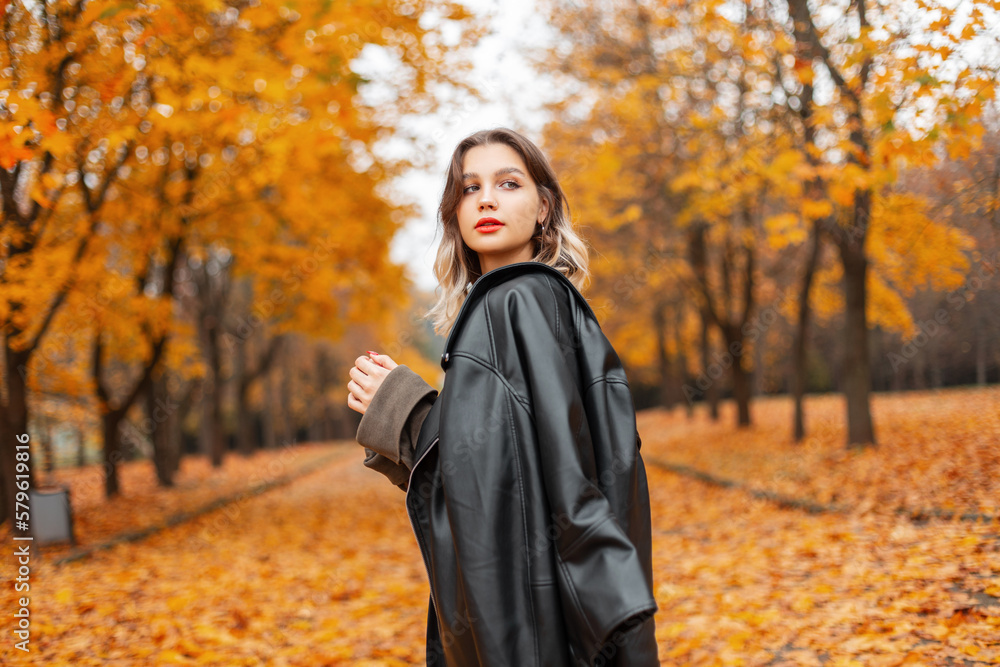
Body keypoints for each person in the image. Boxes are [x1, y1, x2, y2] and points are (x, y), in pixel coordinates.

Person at [347, 128, 660, 666]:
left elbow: (527, 482)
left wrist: (404, 409)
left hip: (533, 627)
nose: (486, 198)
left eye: (508, 183)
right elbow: (520, 466)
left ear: (544, 207)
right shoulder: (531, 303)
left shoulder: (518, 299)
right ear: (456, 214)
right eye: (469, 188)